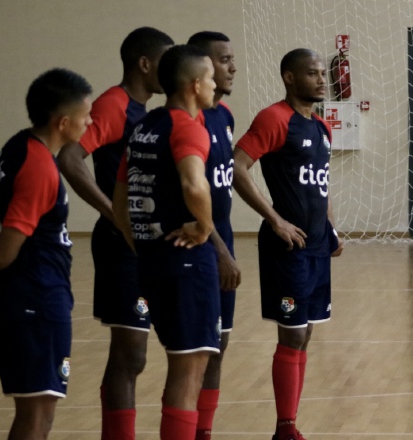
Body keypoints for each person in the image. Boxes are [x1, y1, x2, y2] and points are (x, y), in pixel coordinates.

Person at [57, 27, 173, 440]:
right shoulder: (113, 105)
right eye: (166, 61)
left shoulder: (150, 113)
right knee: (131, 353)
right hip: (120, 247)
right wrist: (113, 213)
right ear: (144, 64)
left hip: (147, 248)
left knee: (137, 355)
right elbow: (69, 157)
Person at [233, 48, 344, 440]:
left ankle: (290, 421)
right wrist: (274, 219)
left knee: (307, 331)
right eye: (311, 73)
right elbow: (238, 167)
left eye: (322, 73)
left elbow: (322, 184)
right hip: (287, 246)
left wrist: (331, 228)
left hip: (316, 247)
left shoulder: (322, 127)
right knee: (293, 332)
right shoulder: (274, 118)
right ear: (289, 77)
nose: (320, 79)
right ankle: (285, 425)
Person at [112, 44, 218, 440]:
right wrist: (204, 228)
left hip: (151, 260)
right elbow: (195, 184)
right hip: (186, 263)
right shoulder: (188, 126)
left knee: (181, 363)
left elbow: (119, 202)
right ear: (194, 85)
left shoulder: (143, 125)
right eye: (209, 78)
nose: (213, 85)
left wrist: (141, 244)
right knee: (189, 370)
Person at [0, 68, 93, 440]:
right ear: (63, 122)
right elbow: (1, 254)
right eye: (85, 115)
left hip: (31, 297)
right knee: (36, 415)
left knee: (38, 410)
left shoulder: (14, 147)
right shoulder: (40, 168)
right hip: (35, 300)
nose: (90, 121)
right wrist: (4, 262)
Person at [186, 31, 240, 440]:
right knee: (196, 352)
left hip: (223, 240)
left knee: (218, 346)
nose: (232, 68)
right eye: (223, 60)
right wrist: (218, 249)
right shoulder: (189, 122)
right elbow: (190, 197)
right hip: (200, 248)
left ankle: (204, 431)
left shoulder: (224, 117)